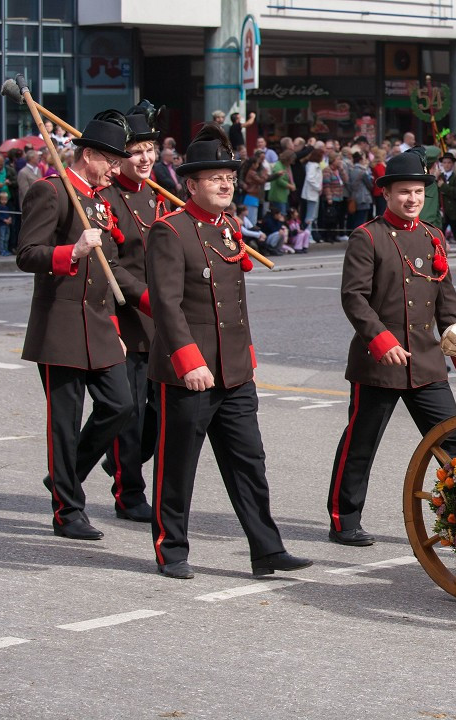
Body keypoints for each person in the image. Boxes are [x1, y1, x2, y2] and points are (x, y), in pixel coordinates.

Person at [145, 124, 311, 579]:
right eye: (214, 177)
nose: (225, 184)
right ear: (191, 184)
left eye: (230, 178)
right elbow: (166, 304)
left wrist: (245, 356)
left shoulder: (228, 229)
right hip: (190, 372)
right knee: (178, 466)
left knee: (249, 462)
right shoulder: (169, 231)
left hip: (234, 370)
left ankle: (267, 549)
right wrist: (188, 359)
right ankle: (171, 549)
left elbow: (232, 306)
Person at [327, 149, 456, 546]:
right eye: (404, 192)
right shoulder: (367, 237)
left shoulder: (432, 236)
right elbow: (353, 297)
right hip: (379, 362)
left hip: (426, 362)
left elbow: (447, 301)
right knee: (361, 443)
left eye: (418, 192)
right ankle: (343, 520)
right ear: (387, 194)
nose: (412, 199)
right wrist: (380, 339)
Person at [16, 112, 147, 540]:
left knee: (120, 405)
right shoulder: (52, 192)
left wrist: (113, 326)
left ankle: (65, 476)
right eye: (110, 161)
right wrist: (70, 251)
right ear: (88, 155)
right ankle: (68, 512)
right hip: (61, 325)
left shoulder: (99, 202)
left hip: (99, 326)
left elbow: (105, 278)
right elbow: (28, 254)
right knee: (64, 423)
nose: (115, 169)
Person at [95, 103, 165, 522]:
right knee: (131, 412)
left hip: (162, 322)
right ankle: (128, 491)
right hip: (128, 318)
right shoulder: (107, 200)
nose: (145, 159)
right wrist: (145, 299)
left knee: (156, 417)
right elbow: (111, 265)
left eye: (150, 150)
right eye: (136, 151)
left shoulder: (160, 195)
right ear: (120, 155)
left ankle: (119, 460)